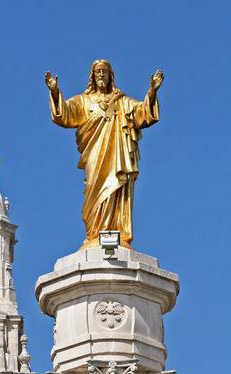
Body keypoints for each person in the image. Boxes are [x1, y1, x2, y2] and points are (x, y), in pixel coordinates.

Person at [45, 60, 164, 248]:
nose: (101, 75)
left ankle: (116, 231)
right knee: (94, 190)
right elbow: (65, 114)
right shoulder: (84, 101)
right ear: (92, 76)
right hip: (94, 154)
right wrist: (54, 91)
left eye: (104, 72)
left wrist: (152, 91)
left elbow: (141, 112)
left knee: (117, 189)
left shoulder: (122, 101)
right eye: (98, 72)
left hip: (117, 156)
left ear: (110, 76)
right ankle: (95, 232)